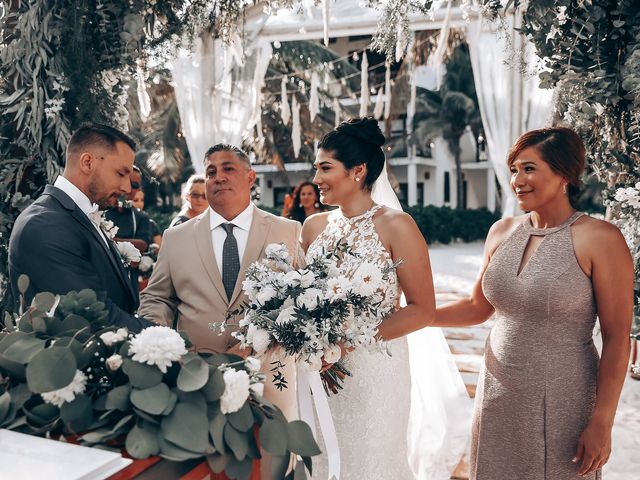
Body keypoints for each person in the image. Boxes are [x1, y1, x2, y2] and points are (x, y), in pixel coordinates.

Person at [432, 127, 633, 479]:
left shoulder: (600, 239)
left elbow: (617, 338)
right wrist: (414, 315)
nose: (517, 180)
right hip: (497, 393)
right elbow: (477, 308)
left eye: (529, 168)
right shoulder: (501, 231)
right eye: (513, 169)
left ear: (564, 175)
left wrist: (602, 421)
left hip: (564, 400)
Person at [300, 117, 471, 479]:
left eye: (325, 168)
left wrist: (346, 342)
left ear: (358, 170)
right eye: (316, 168)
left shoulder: (397, 226)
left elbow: (422, 310)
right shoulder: (312, 227)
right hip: (318, 371)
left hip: (376, 372)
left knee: (370, 460)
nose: (316, 179)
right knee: (321, 460)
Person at [138, 144, 302, 424]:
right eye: (211, 171)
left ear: (250, 178)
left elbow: (300, 298)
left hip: (271, 376)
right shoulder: (176, 237)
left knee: (276, 463)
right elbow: (157, 298)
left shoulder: (287, 230)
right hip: (197, 375)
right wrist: (162, 342)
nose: (219, 177)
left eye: (228, 169)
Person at [8, 122, 153, 332]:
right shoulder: (45, 224)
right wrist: (169, 339)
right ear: (87, 162)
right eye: (121, 173)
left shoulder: (77, 215)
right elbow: (92, 316)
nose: (126, 188)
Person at [105, 166, 155, 292]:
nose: (128, 188)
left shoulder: (140, 216)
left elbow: (142, 246)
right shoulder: (99, 209)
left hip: (130, 286)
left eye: (134, 185)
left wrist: (108, 241)